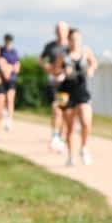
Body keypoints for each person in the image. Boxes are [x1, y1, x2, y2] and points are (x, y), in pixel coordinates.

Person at [56, 28, 99, 166]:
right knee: (69, 127)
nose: (75, 42)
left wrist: (91, 70)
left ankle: (84, 148)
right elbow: (55, 70)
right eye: (73, 39)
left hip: (81, 91)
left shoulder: (86, 52)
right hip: (64, 93)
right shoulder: (63, 55)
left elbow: (94, 63)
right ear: (69, 40)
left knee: (86, 122)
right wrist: (63, 71)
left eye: (78, 39)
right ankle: (70, 157)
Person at [41, 22, 70, 152]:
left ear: (67, 31)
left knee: (63, 111)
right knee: (56, 108)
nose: (60, 32)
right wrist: (46, 67)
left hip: (65, 83)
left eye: (62, 30)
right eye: (58, 30)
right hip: (53, 82)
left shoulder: (70, 47)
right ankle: (55, 135)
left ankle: (61, 138)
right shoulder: (50, 46)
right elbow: (41, 59)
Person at [0, 33, 21, 130]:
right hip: (2, 80)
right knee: (2, 100)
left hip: (11, 79)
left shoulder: (14, 52)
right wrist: (6, 69)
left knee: (10, 100)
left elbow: (17, 67)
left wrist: (8, 68)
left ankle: (9, 120)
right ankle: (3, 114)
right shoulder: (1, 51)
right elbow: (0, 64)